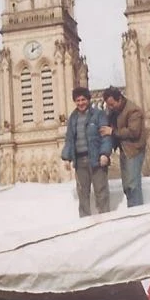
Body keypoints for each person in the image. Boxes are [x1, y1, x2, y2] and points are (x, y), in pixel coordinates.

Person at [60, 87, 112, 217]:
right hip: (80, 161)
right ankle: (84, 223)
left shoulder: (98, 115)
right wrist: (67, 157)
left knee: (101, 191)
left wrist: (105, 154)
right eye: (78, 100)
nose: (81, 103)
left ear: (88, 100)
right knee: (83, 193)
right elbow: (69, 138)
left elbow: (105, 136)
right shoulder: (73, 118)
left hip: (96, 160)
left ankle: (105, 219)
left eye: (83, 99)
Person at [100, 87, 146, 207]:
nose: (110, 107)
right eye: (107, 105)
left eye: (111, 104)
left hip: (134, 150)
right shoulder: (114, 112)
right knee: (127, 185)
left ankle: (137, 211)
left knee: (133, 184)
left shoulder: (133, 111)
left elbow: (133, 132)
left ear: (119, 99)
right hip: (124, 150)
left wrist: (113, 132)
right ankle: (132, 208)